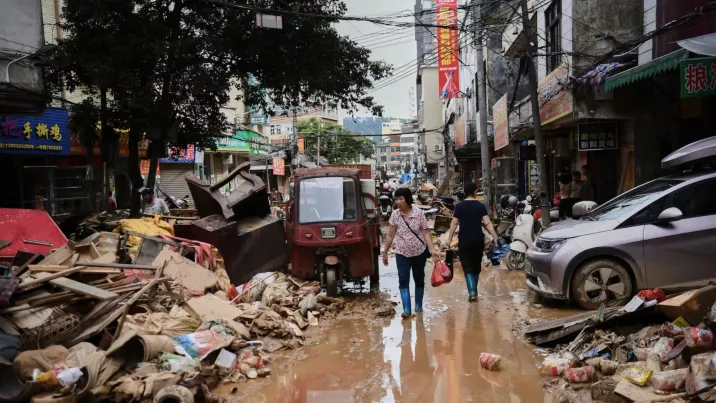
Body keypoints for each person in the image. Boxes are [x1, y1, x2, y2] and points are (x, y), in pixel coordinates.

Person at [383, 187, 441, 318]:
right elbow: (390, 236)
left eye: (401, 199)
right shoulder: (395, 215)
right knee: (403, 280)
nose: (398, 202)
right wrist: (385, 252)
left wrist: (432, 250)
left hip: (419, 253)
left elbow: (426, 233)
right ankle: (407, 310)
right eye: (396, 199)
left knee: (419, 279)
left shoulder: (419, 213)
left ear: (408, 199)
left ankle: (418, 306)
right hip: (402, 253)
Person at [444, 182, 499, 301]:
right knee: (476, 265)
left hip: (464, 239)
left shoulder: (459, 206)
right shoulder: (480, 206)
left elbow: (454, 223)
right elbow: (487, 223)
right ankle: (474, 290)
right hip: (478, 239)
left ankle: (472, 292)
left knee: (467, 266)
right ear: (475, 192)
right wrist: (495, 237)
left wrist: (449, 239)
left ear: (465, 193)